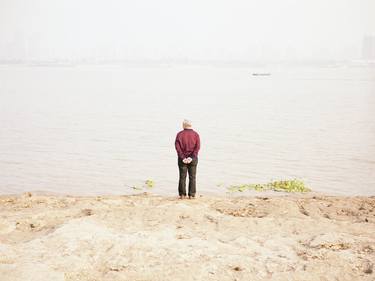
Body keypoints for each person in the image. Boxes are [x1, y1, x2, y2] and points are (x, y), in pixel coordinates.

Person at [174, 119, 200, 199]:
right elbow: (197, 147)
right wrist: (191, 157)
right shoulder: (196, 135)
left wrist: (183, 157)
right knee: (192, 177)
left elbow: (177, 147)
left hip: (182, 159)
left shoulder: (179, 134)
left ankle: (182, 195)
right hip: (193, 159)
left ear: (183, 125)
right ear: (191, 125)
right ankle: (191, 195)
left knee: (182, 177)